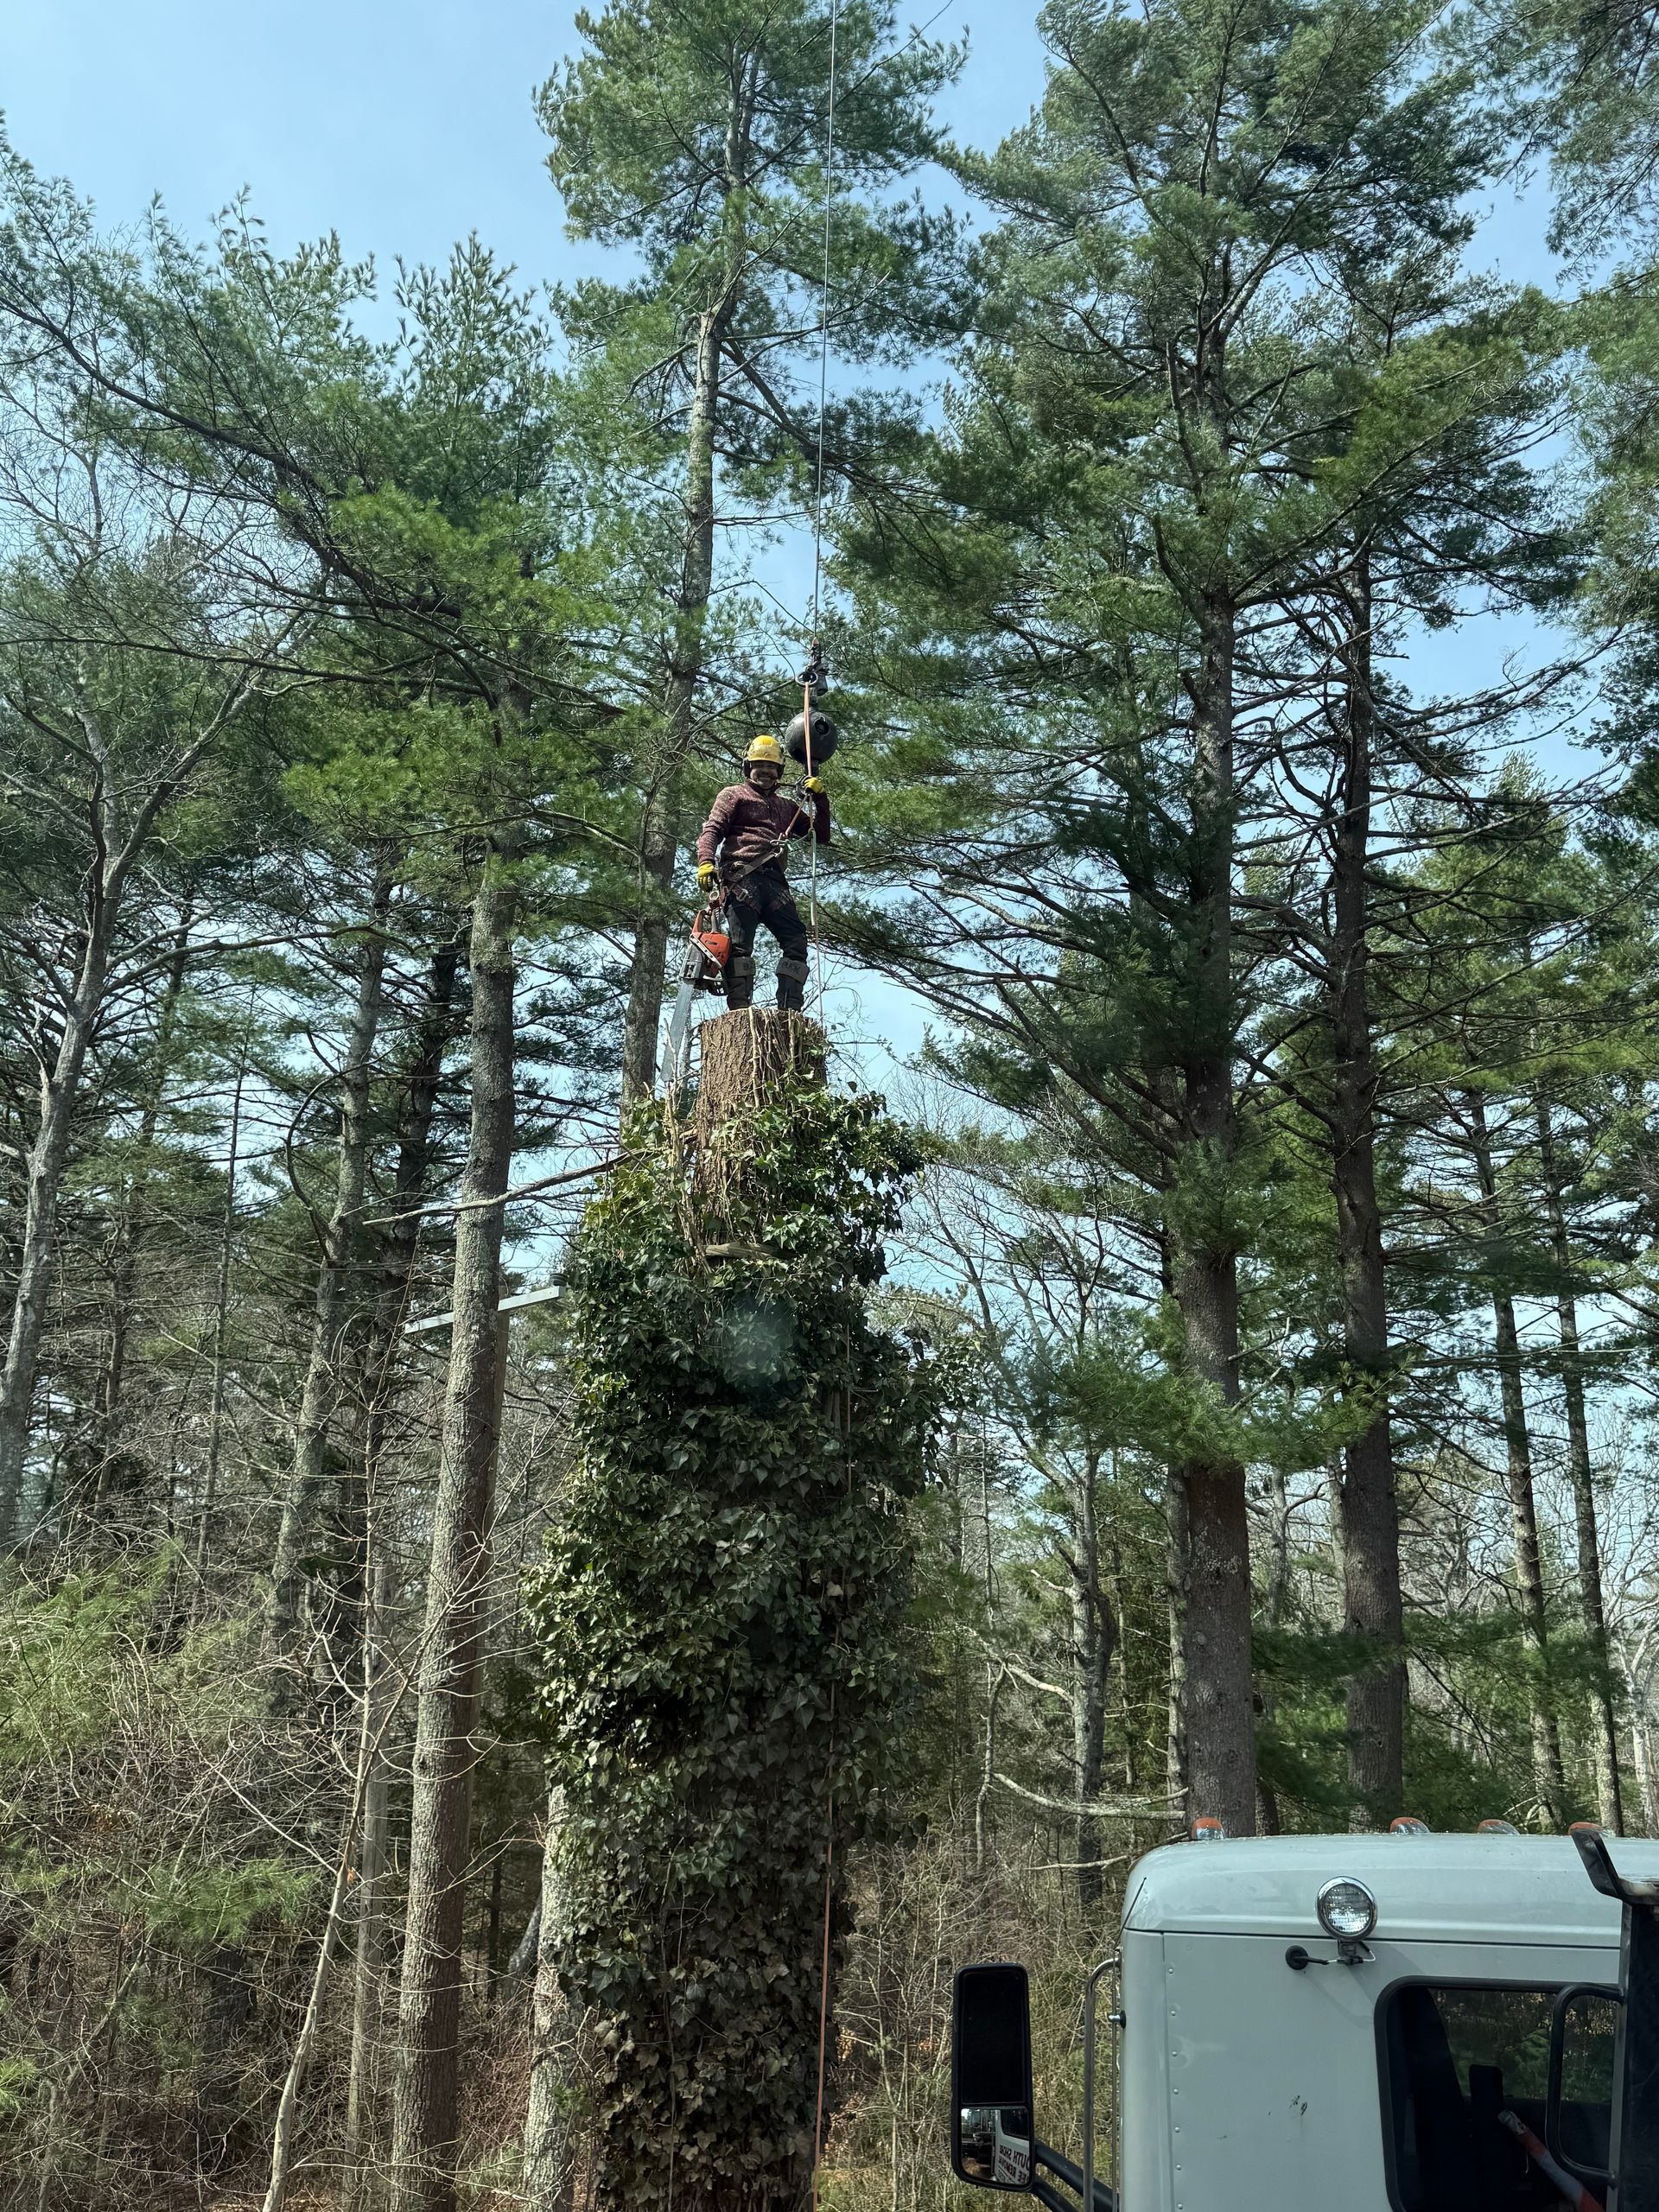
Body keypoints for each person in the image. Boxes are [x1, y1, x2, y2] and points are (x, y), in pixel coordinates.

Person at [696, 733, 830, 1012]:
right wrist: (706, 861)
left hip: (775, 882)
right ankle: (740, 1011)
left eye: (771, 768)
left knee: (796, 942)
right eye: (759, 767)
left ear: (779, 771)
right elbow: (713, 829)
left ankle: (789, 1010)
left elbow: (821, 834)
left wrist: (820, 798)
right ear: (748, 768)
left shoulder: (786, 807)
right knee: (741, 946)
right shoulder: (733, 795)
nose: (765, 773)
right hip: (743, 876)